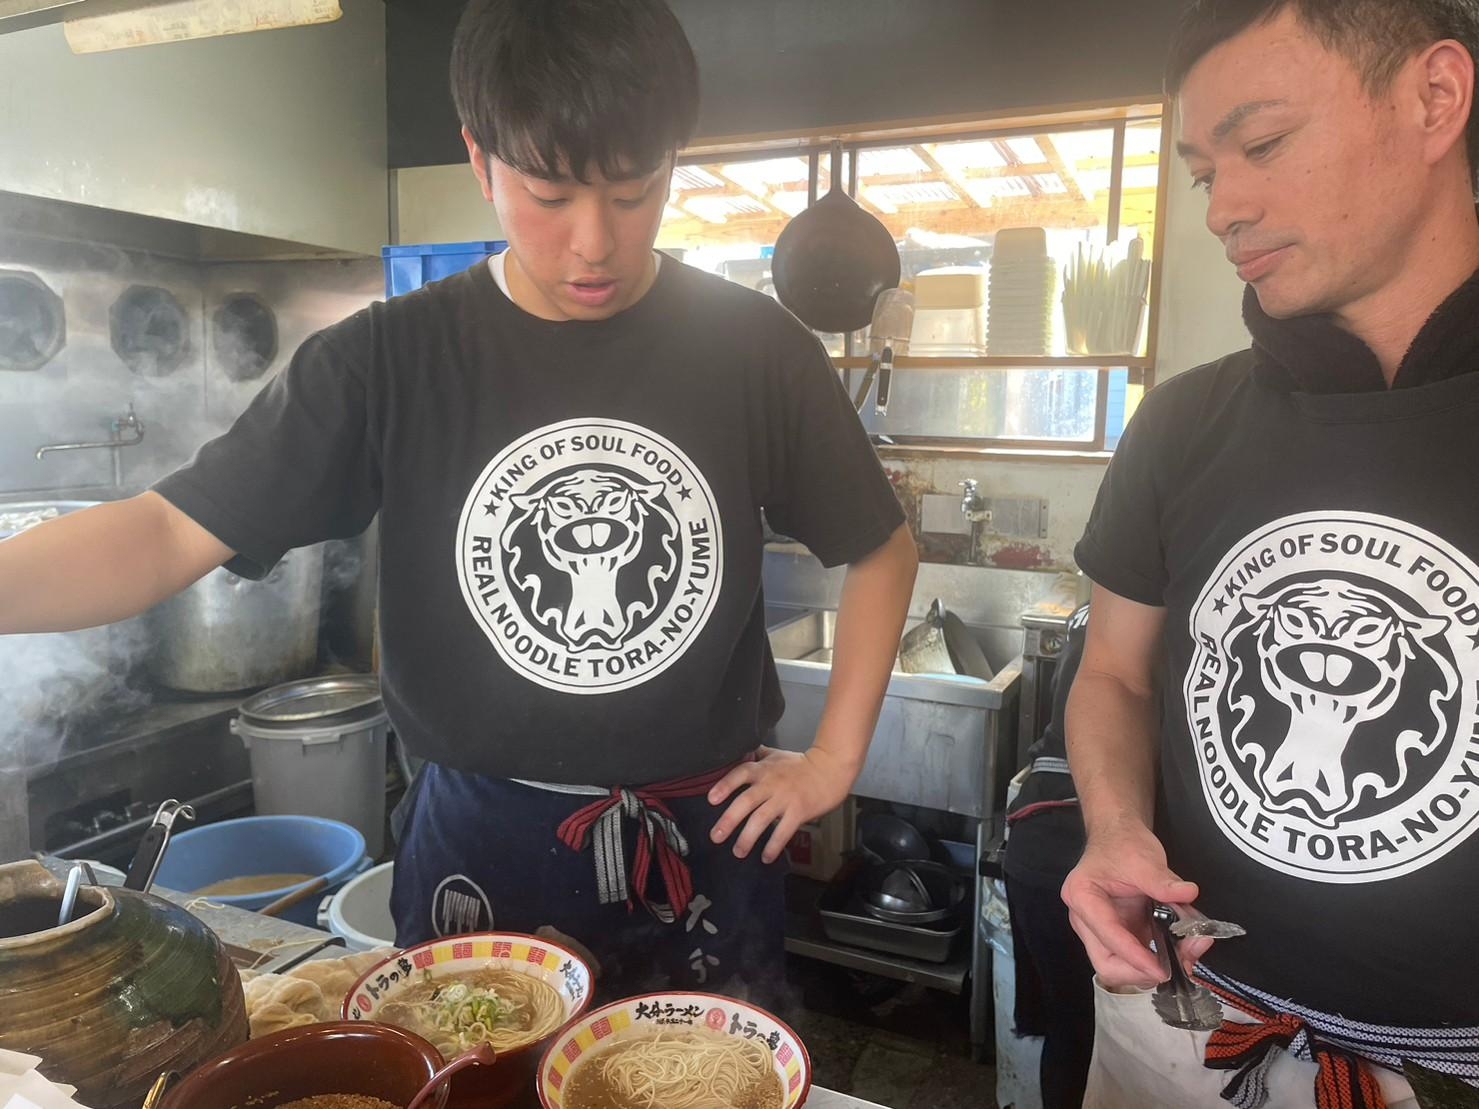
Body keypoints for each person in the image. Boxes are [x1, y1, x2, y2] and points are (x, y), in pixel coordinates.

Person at [0, 0, 917, 1001]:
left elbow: (879, 546)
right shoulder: (387, 359)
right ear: (480, 160)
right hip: (481, 842)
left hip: (700, 837)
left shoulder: (756, 352)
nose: (594, 243)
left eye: (636, 187)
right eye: (550, 193)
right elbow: (166, 528)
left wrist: (834, 756)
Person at [1061, 1, 1479, 1105]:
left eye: (1265, 143)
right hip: (1189, 1020)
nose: (1223, 207)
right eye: (1204, 172)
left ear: (1436, 98)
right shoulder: (1184, 421)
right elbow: (1112, 672)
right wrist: (1113, 824)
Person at [1003, 603, 1096, 1109]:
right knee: (1099, 1029)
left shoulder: (1090, 611)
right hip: (1081, 851)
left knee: (1071, 1024)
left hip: (1033, 839)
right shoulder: (1187, 617)